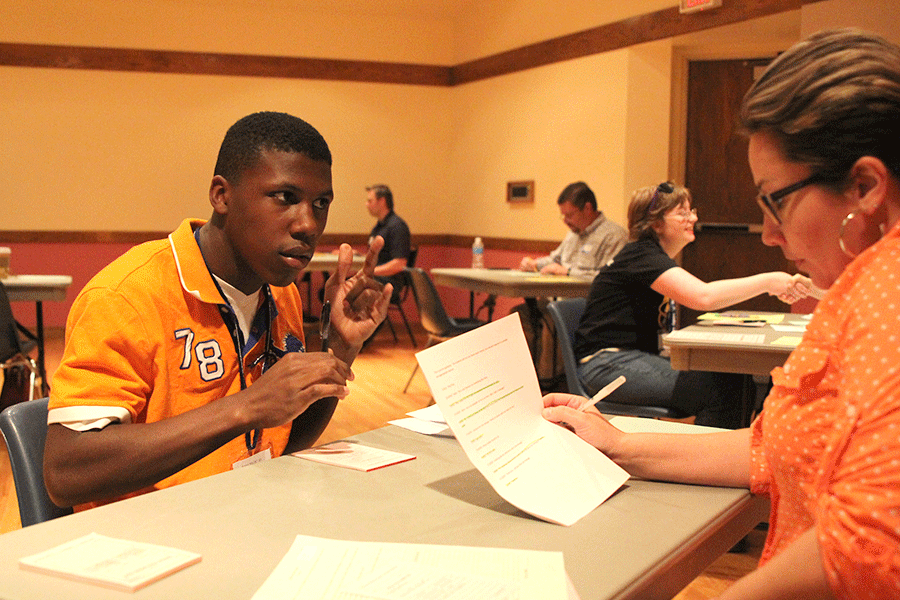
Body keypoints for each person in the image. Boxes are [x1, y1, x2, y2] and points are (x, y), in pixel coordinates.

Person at [544, 28, 900, 598]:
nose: (768, 232)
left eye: (775, 199)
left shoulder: (887, 295)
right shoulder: (863, 291)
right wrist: (618, 445)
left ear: (864, 187)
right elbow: (769, 446)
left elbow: (869, 551)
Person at [43, 112, 392, 510]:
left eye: (321, 203)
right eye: (286, 198)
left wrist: (341, 350)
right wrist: (246, 407)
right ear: (221, 196)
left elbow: (283, 442)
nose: (308, 224)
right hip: (145, 541)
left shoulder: (281, 295)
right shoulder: (127, 295)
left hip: (244, 515)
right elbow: (65, 473)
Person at [575, 181, 809, 427]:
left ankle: (731, 458)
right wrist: (769, 282)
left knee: (734, 378)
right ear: (655, 223)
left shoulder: (651, 256)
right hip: (605, 365)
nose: (692, 218)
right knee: (719, 388)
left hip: (626, 359)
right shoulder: (641, 254)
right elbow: (703, 297)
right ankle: (712, 463)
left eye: (691, 211)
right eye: (682, 213)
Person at [518, 181, 627, 278]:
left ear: (587, 208)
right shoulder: (573, 233)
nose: (565, 221)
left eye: (569, 215)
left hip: (586, 300)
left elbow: (606, 278)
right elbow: (555, 260)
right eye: (563, 216)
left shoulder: (614, 236)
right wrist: (534, 264)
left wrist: (568, 272)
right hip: (557, 296)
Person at [365, 184, 412, 293]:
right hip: (376, 277)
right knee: (342, 285)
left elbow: (399, 264)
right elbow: (379, 256)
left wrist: (370, 271)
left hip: (390, 281)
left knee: (349, 289)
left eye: (370, 201)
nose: (366, 204)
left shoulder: (397, 227)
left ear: (381, 201)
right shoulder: (379, 227)